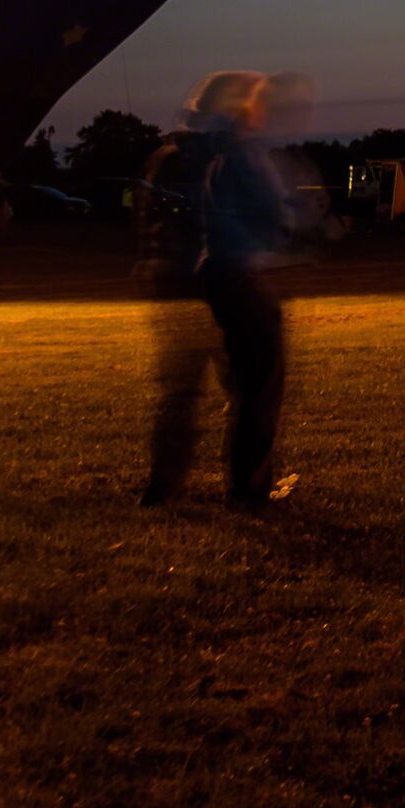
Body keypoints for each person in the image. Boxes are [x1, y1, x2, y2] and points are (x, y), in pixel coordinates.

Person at [141, 70, 300, 509]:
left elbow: (152, 221)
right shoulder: (232, 156)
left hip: (179, 288)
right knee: (254, 390)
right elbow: (265, 220)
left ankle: (163, 489)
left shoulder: (168, 157)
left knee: (182, 395)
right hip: (225, 283)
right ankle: (248, 487)